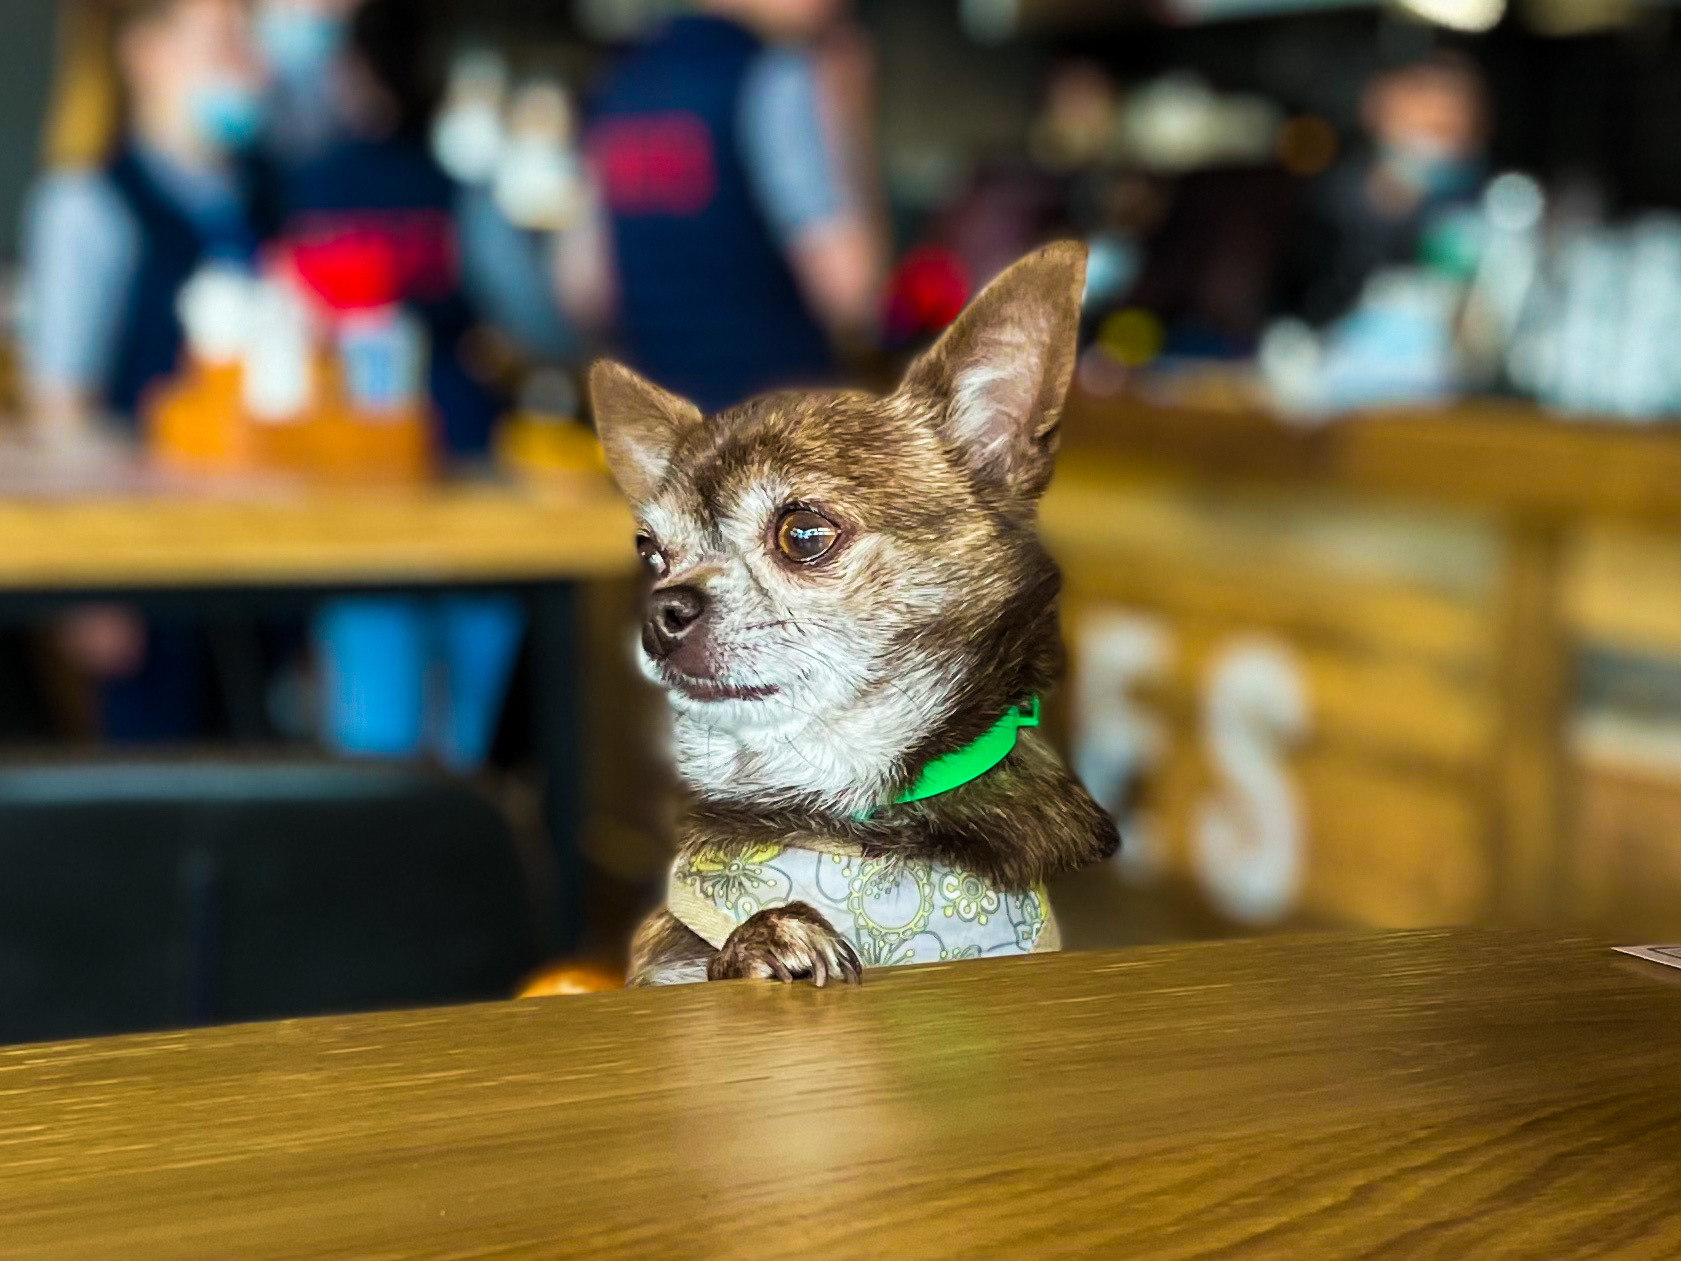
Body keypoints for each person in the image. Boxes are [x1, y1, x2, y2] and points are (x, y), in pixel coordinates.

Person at [22, 0, 271, 741]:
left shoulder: (262, 194)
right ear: (145, 53)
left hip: (264, 559)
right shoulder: (87, 205)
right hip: (148, 567)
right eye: (222, 39)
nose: (244, 62)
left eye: (247, 39)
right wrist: (90, 584)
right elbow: (58, 410)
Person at [564, 0, 883, 412]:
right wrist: (847, 120)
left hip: (666, 437)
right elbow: (850, 290)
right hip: (773, 440)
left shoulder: (620, 85)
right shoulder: (777, 78)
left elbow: (582, 291)